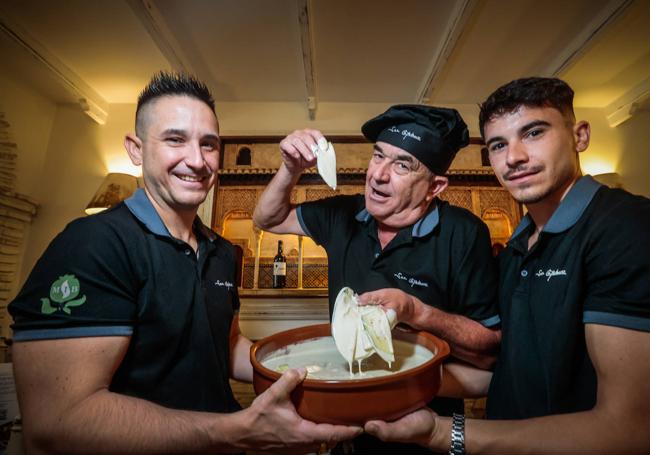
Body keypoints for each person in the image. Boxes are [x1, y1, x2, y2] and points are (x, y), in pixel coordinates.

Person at [8, 72, 361, 455]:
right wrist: (238, 430)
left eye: (208, 145)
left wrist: (316, 367)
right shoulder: (92, 245)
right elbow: (57, 423)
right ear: (136, 149)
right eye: (175, 139)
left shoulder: (221, 251)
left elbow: (223, 348)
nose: (196, 160)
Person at [364, 77, 650, 454]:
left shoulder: (625, 227)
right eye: (498, 144)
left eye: (533, 132)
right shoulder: (519, 244)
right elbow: (507, 374)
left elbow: (629, 430)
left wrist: (438, 433)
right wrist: (381, 384)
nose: (513, 157)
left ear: (579, 136)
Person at [253, 105, 502, 453]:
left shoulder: (463, 234)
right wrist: (290, 169)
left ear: (435, 186)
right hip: (345, 426)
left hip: (423, 431)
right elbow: (268, 218)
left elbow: (490, 347)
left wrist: (418, 312)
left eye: (403, 164)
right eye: (378, 156)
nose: (378, 175)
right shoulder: (345, 214)